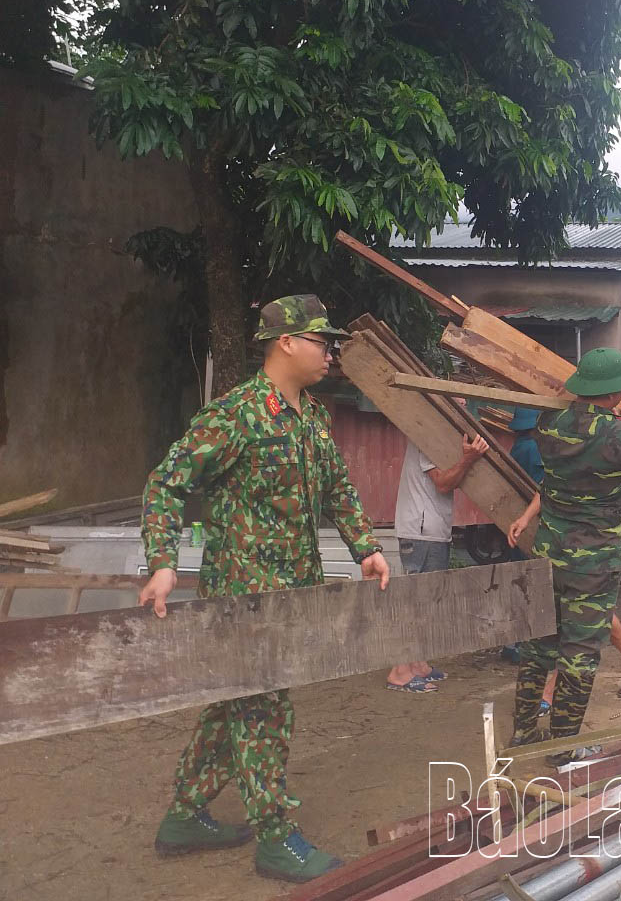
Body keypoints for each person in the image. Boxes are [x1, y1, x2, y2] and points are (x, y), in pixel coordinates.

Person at [138, 294, 390, 883]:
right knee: (264, 712)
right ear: (286, 343)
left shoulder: (312, 417)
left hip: (293, 594)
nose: (330, 350)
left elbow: (338, 491)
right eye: (321, 340)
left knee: (235, 706)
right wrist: (163, 561)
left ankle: (183, 814)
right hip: (243, 598)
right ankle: (276, 837)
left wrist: (367, 548)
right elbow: (166, 484)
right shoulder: (237, 415)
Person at [505, 348, 621, 765]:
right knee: (580, 652)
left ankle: (524, 731)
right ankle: (562, 749)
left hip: (549, 554)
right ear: (615, 392)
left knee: (539, 643)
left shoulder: (548, 422)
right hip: (592, 564)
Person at [507, 407, 621, 704]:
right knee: (576, 619)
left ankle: (551, 699)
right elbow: (552, 484)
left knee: (577, 629)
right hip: (566, 550)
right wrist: (526, 517)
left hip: (595, 553)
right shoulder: (566, 430)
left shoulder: (620, 435)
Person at [385, 432, 489, 693]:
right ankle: (399, 670)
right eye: (459, 397)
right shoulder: (428, 435)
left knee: (428, 603)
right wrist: (469, 459)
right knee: (414, 602)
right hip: (420, 531)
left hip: (432, 530)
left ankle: (417, 663)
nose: (464, 402)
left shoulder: (440, 437)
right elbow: (443, 483)